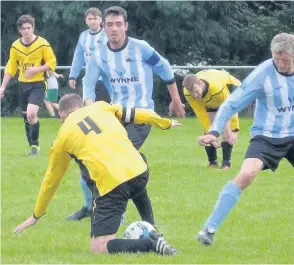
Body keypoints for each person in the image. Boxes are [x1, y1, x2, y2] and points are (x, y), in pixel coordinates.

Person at [196, 33, 294, 245]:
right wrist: (214, 131)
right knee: (246, 175)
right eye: (276, 58)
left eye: (285, 60)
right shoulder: (262, 75)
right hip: (267, 137)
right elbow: (232, 103)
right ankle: (209, 230)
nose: (280, 63)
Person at [13, 94, 180, 255]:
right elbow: (138, 113)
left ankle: (150, 243)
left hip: (113, 186)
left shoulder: (62, 138)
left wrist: (36, 215)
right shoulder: (101, 106)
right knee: (131, 176)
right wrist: (164, 123)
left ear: (61, 115)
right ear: (82, 106)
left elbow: (51, 180)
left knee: (99, 247)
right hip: (140, 171)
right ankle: (151, 226)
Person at [79, 6, 186, 225]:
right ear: (104, 27)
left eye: (118, 24)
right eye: (109, 25)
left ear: (126, 26)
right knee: (122, 163)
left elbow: (165, 69)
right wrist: (91, 109)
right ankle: (147, 221)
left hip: (141, 115)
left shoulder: (141, 48)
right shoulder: (99, 55)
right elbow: (88, 87)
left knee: (117, 157)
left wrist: (176, 99)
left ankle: (113, 209)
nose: (114, 29)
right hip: (116, 116)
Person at [66, 7, 111, 221]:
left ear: (101, 20)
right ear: (86, 21)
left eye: (96, 18)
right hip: (90, 85)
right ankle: (88, 206)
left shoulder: (108, 35)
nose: (93, 21)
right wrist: (73, 74)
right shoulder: (84, 37)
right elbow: (78, 56)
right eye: (90, 18)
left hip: (107, 83)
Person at [0, 14, 56, 156]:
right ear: (19, 30)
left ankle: (35, 145)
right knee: (27, 117)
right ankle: (32, 146)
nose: (26, 31)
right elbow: (11, 67)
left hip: (38, 83)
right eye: (23, 28)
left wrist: (37, 69)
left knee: (31, 113)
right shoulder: (15, 46)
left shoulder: (42, 43)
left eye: (29, 28)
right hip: (22, 84)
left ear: (33, 28)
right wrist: (3, 86)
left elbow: (52, 63)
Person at [183, 70, 241, 169]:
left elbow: (231, 107)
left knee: (226, 129)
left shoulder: (216, 88)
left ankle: (226, 164)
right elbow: (201, 113)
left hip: (231, 88)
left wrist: (234, 129)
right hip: (210, 98)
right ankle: (212, 162)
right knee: (207, 132)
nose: (195, 96)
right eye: (192, 94)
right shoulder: (187, 92)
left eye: (196, 91)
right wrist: (211, 133)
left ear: (200, 84)